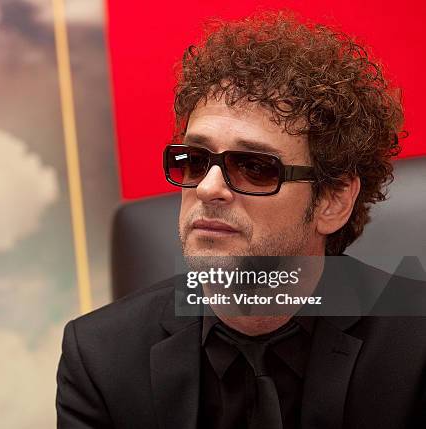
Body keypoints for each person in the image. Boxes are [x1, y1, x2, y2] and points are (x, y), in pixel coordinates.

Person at [56, 11, 426, 428]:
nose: (208, 188)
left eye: (254, 166)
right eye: (195, 161)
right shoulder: (100, 358)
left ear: (333, 200)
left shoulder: (416, 346)